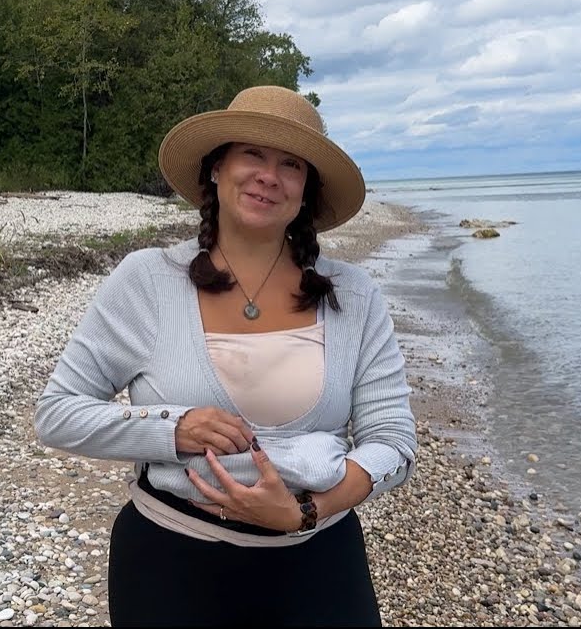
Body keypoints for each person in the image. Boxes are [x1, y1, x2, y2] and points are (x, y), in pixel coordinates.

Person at [33, 85, 418, 627]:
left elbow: (393, 442)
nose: (269, 175)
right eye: (252, 154)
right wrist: (175, 427)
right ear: (217, 168)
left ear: (305, 190)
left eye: (291, 164)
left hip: (320, 562)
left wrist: (307, 511)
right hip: (172, 562)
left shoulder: (352, 294)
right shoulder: (147, 281)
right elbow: (58, 414)